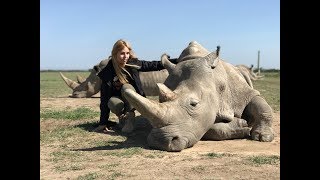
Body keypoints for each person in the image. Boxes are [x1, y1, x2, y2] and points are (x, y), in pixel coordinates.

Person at [93, 39, 177, 133]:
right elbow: (104, 99)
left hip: (132, 100)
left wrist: (176, 61)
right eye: (122, 53)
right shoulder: (107, 72)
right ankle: (123, 117)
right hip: (119, 100)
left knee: (126, 87)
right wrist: (103, 123)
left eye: (127, 53)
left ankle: (130, 116)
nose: (125, 56)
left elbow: (153, 65)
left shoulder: (133, 64)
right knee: (112, 102)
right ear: (115, 53)